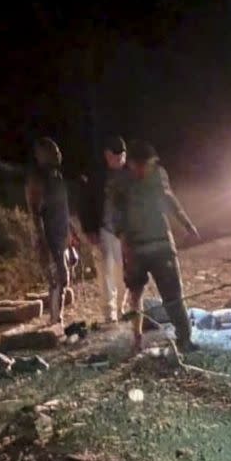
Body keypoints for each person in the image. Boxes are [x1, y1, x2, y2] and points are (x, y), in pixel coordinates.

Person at [112, 139, 200, 352]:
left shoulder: (159, 175)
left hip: (161, 246)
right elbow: (117, 217)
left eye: (150, 164)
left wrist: (188, 225)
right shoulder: (121, 182)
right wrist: (124, 245)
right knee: (136, 295)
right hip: (135, 249)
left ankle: (184, 339)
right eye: (143, 164)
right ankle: (137, 339)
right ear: (132, 163)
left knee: (173, 296)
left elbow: (170, 200)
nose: (147, 168)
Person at [80, 135, 129, 322]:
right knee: (105, 273)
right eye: (114, 157)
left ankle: (122, 308)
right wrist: (89, 229)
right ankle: (109, 314)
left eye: (121, 157)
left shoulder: (129, 175)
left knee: (125, 274)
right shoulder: (96, 175)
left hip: (125, 233)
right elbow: (85, 202)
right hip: (104, 230)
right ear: (107, 155)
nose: (118, 161)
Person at [25, 137, 71, 325]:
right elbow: (35, 212)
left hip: (60, 234)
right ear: (43, 155)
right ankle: (54, 319)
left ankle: (56, 316)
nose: (59, 154)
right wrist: (41, 239)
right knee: (58, 278)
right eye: (54, 151)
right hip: (49, 236)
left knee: (62, 278)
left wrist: (70, 230)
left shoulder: (56, 176)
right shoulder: (38, 178)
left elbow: (62, 208)